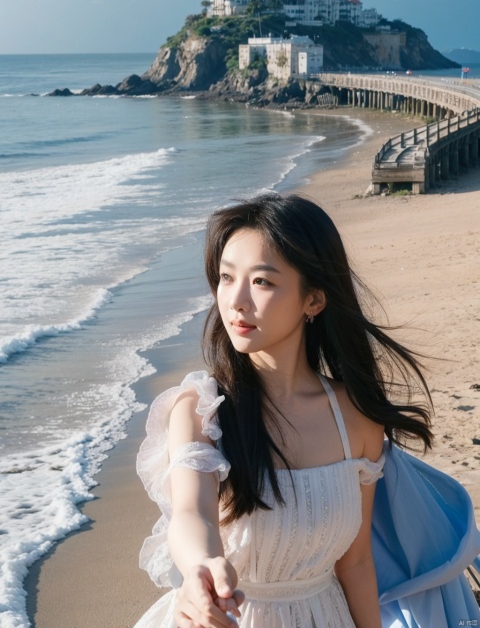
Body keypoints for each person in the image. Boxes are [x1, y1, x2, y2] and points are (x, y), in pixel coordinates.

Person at [134, 193, 480, 628]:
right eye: (226, 277)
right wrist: (200, 567)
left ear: (314, 300)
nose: (236, 300)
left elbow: (354, 564)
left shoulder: (356, 417)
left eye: (262, 281)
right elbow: (191, 511)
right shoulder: (203, 410)